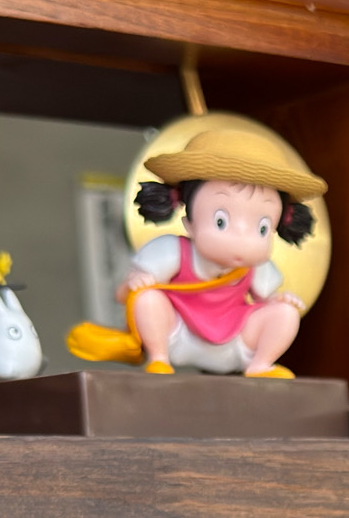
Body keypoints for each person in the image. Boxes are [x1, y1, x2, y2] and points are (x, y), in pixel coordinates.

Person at [114, 123, 327, 377]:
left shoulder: (257, 268)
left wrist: (279, 301)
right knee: (147, 299)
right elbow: (123, 295)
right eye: (221, 222)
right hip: (179, 334)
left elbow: (266, 301)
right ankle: (159, 358)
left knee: (286, 314)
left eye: (261, 228)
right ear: (188, 223)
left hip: (234, 342)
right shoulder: (172, 251)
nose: (242, 239)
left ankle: (260, 365)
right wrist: (135, 283)